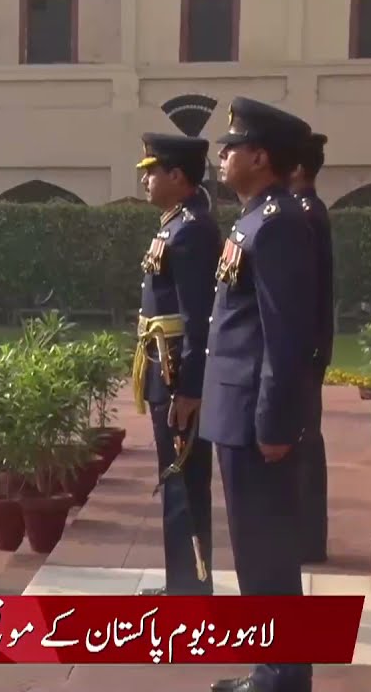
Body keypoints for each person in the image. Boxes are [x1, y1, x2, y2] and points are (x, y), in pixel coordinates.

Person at [201, 97, 317, 692]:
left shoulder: (277, 225)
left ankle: (281, 677)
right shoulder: (254, 220)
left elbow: (283, 334)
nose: (223, 155)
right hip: (235, 412)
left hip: (255, 419)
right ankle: (272, 670)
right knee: (254, 554)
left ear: (261, 156)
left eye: (233, 146)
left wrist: (273, 425)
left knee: (267, 554)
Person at [133, 133, 221, 596]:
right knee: (175, 478)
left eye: (153, 170)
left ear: (177, 176)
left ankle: (191, 590)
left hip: (175, 375)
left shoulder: (193, 230)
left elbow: (198, 317)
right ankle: (183, 584)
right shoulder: (175, 225)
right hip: (161, 368)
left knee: (184, 481)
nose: (145, 178)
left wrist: (189, 389)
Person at [290, 132, 334, 565]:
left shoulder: (304, 213)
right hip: (310, 345)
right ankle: (306, 536)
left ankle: (306, 540)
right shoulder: (310, 211)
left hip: (303, 347)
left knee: (303, 440)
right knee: (305, 438)